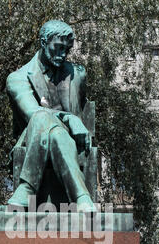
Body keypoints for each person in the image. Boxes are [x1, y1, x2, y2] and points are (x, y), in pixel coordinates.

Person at [6, 20, 96, 212]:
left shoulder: (77, 74)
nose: (63, 54)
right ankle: (81, 196)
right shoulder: (18, 78)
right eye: (58, 47)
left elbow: (84, 107)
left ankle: (26, 188)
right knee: (42, 119)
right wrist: (70, 118)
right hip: (33, 140)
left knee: (55, 132)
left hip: (71, 140)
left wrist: (75, 122)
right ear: (44, 42)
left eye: (67, 49)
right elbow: (33, 113)